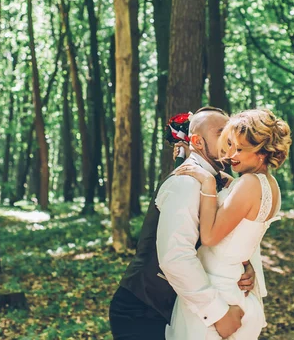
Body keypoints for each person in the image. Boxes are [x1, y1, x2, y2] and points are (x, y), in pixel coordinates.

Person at [109, 107, 256, 340]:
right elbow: (175, 257)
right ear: (197, 141)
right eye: (222, 133)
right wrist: (218, 314)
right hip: (144, 312)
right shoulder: (186, 183)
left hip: (179, 309)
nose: (231, 139)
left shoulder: (221, 184)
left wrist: (243, 266)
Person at [167, 108, 291, 339]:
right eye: (230, 144)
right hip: (236, 287)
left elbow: (210, 238)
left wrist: (207, 184)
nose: (230, 154)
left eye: (240, 149)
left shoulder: (249, 184)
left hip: (220, 291)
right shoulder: (268, 184)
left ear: (261, 153)